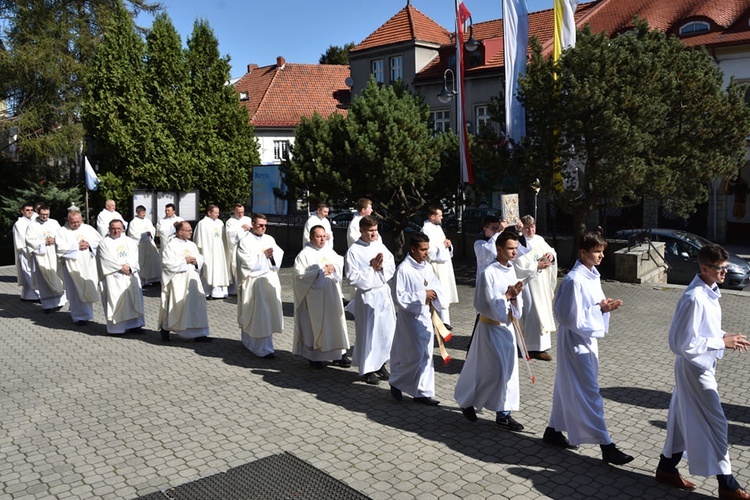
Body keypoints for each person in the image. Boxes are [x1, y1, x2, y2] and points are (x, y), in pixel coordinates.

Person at [655, 244, 750, 499]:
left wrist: (723, 334)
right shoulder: (694, 297)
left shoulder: (709, 291)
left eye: (725, 268)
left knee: (679, 417)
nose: (724, 273)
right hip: (694, 368)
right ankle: (727, 484)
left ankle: (666, 467)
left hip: (700, 364)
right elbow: (681, 343)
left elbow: (701, 332)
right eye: (719, 269)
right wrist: (722, 343)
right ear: (704, 267)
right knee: (716, 422)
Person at [542, 231, 633, 465]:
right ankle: (606, 444)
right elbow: (567, 316)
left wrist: (603, 308)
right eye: (596, 251)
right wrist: (600, 311)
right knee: (589, 391)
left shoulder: (592, 276)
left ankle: (553, 430)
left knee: (566, 383)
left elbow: (588, 309)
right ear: (583, 252)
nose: (601, 255)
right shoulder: (574, 280)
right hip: (574, 341)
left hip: (586, 339)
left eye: (603, 251)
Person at [455, 231, 526, 431]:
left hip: (507, 328)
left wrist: (514, 297)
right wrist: (506, 296)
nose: (514, 252)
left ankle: (503, 413)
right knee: (490, 371)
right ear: (499, 249)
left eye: (516, 248)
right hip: (490, 328)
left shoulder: (511, 270)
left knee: (508, 372)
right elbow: (483, 303)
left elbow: (513, 299)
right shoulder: (489, 272)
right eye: (510, 248)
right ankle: (468, 400)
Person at [389, 232, 445, 406]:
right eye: (422, 250)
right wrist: (423, 295)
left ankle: (422, 392)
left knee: (427, 355)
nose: (426, 253)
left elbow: (437, 286)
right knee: (414, 355)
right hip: (411, 319)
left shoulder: (427, 267)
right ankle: (396, 381)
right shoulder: (404, 269)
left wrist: (435, 296)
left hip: (426, 317)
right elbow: (399, 296)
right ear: (412, 249)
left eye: (427, 249)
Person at [345, 216, 396, 385]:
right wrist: (371, 269)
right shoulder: (354, 251)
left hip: (382, 293)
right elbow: (352, 277)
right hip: (367, 296)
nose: (374, 233)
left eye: (376, 230)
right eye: (370, 231)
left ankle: (380, 363)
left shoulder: (379, 245)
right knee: (369, 333)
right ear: (361, 231)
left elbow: (391, 265)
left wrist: (381, 268)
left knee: (385, 332)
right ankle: (367, 369)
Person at [292, 225, 350, 368]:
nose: (322, 239)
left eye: (324, 236)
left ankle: (338, 355)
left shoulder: (329, 251)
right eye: (319, 236)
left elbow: (339, 262)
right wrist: (321, 272)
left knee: (335, 324)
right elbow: (300, 277)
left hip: (331, 296)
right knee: (314, 327)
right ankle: (315, 357)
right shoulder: (304, 255)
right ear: (311, 238)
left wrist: (335, 267)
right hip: (313, 300)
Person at [236, 213, 284, 358]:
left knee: (268, 314)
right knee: (258, 315)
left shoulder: (269, 239)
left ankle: (259, 344)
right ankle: (261, 348)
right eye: (260, 225)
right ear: (252, 224)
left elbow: (279, 254)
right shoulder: (245, 241)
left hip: (269, 280)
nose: (263, 228)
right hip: (254, 282)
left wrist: (271, 256)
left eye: (265, 225)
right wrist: (263, 256)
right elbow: (246, 263)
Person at [513, 215, 557, 361]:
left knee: (543, 312)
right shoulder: (518, 243)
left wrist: (551, 255)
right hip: (528, 284)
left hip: (542, 283)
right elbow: (518, 264)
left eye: (533, 227)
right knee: (532, 314)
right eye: (527, 227)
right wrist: (535, 266)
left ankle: (542, 347)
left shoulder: (539, 239)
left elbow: (551, 251)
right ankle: (531, 348)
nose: (530, 230)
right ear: (522, 228)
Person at [158, 221, 211, 342]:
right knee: (177, 306)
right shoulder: (171, 246)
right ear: (180, 232)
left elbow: (200, 258)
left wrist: (196, 260)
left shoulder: (192, 245)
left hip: (193, 280)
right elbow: (167, 264)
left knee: (196, 305)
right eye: (188, 230)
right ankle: (165, 330)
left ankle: (200, 334)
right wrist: (184, 261)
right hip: (179, 281)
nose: (191, 232)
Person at [97, 219, 145, 335]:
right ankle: (117, 328)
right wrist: (120, 267)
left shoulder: (129, 241)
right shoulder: (104, 243)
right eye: (113, 228)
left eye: (118, 228)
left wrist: (129, 267)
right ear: (109, 229)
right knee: (116, 302)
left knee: (133, 300)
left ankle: (135, 325)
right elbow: (105, 259)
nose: (116, 231)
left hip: (130, 275)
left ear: (123, 228)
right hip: (114, 277)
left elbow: (134, 255)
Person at [56, 208, 101, 325]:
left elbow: (100, 243)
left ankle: (88, 315)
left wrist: (89, 244)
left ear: (81, 219)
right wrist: (76, 246)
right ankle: (78, 317)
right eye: (73, 222)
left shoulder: (88, 229)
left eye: (78, 222)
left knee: (88, 287)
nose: (76, 224)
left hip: (88, 265)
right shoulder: (62, 232)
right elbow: (59, 248)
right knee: (75, 291)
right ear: (68, 220)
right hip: (72, 267)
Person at [421, 205, 458, 328]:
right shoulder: (426, 229)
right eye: (440, 215)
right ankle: (438, 320)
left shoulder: (438, 228)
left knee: (445, 291)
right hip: (435, 265)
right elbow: (428, 249)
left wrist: (448, 244)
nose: (442, 218)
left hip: (444, 264)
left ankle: (446, 321)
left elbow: (443, 243)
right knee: (439, 291)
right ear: (432, 216)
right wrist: (443, 247)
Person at [25, 204, 66, 313]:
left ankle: (59, 302)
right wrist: (44, 242)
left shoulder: (54, 223)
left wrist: (55, 239)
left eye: (47, 214)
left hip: (53, 255)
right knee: (44, 280)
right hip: (41, 257)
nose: (45, 217)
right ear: (38, 213)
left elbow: (62, 235)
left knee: (57, 277)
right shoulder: (32, 226)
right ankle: (47, 305)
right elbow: (29, 240)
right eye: (43, 215)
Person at [194, 205, 230, 299]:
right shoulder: (202, 223)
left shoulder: (220, 223)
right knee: (208, 270)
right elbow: (199, 239)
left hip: (219, 251)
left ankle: (218, 293)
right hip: (208, 251)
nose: (218, 215)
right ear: (209, 213)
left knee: (219, 270)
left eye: (218, 213)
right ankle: (206, 292)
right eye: (216, 213)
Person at [127, 205, 160, 286]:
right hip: (140, 245)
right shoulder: (133, 222)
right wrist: (144, 234)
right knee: (141, 262)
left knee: (153, 260)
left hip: (149, 243)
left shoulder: (147, 221)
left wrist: (150, 233)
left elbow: (152, 229)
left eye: (144, 212)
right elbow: (133, 234)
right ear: (137, 212)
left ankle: (154, 278)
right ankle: (142, 279)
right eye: (142, 213)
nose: (144, 214)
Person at [13, 203, 39, 301]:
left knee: (33, 273)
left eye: (31, 210)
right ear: (22, 211)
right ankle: (38, 294)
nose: (30, 212)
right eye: (27, 210)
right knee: (28, 273)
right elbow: (21, 239)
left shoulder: (35, 220)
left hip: (35, 250)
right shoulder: (19, 224)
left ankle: (27, 296)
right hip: (24, 251)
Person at [225, 203, 252, 295]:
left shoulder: (248, 219)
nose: (240, 214)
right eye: (238, 212)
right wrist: (241, 229)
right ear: (234, 212)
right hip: (237, 247)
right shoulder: (230, 221)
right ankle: (238, 289)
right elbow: (230, 235)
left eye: (242, 212)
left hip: (249, 246)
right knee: (237, 266)